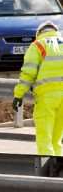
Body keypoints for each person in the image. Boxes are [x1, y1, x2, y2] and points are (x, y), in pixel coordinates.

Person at [13, 21, 63, 156]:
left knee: (45, 139)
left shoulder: (38, 45)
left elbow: (28, 74)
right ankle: (58, 171)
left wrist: (18, 95)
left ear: (39, 34)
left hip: (47, 97)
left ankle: (46, 174)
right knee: (57, 140)